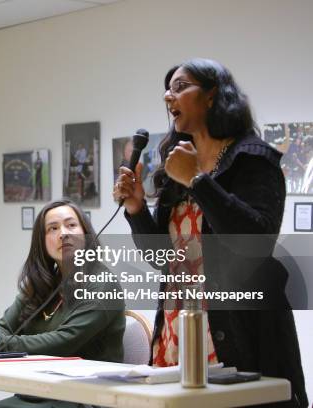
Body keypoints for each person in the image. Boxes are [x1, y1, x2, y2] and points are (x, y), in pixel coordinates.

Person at [114, 58, 307, 407]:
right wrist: (137, 209)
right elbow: (163, 260)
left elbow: (255, 242)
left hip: (239, 332)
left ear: (212, 95)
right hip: (177, 326)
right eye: (166, 90)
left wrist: (198, 181)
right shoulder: (175, 164)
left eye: (180, 86)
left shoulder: (252, 158)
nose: (167, 97)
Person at [0, 199, 125, 408]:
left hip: (84, 398)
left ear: (85, 233)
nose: (63, 233)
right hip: (37, 393)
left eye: (71, 225)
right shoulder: (42, 284)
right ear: (42, 241)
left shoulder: (103, 284)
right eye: (53, 228)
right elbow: (6, 326)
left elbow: (64, 342)